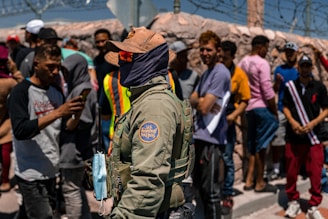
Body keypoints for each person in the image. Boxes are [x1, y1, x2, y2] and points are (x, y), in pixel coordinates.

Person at [103, 26, 193, 218]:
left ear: (149, 61)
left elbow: (149, 180)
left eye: (127, 56)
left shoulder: (155, 107)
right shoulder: (146, 100)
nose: (120, 61)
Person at [7, 44, 85, 219]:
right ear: (36, 64)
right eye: (50, 66)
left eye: (58, 67)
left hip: (51, 169)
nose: (55, 71)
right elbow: (21, 130)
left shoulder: (55, 92)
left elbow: (65, 128)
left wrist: (76, 115)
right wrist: (57, 112)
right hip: (30, 172)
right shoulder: (21, 92)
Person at [189, 30, 231, 218]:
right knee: (200, 189)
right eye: (202, 50)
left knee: (212, 192)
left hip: (212, 140)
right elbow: (192, 99)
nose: (204, 53)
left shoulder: (221, 73)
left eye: (208, 50)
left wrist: (203, 101)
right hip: (200, 136)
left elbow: (205, 107)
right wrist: (203, 101)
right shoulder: (207, 73)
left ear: (218, 51)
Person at [283, 55, 328, 219]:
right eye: (302, 66)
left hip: (313, 137)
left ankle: (314, 205)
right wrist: (293, 122)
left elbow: (326, 109)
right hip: (293, 136)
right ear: (298, 68)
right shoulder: (290, 87)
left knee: (316, 171)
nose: (305, 68)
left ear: (312, 68)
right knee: (291, 171)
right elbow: (285, 107)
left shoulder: (319, 87)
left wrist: (313, 123)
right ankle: (293, 201)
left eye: (308, 66)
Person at [238, 35, 278, 193]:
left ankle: (249, 180)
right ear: (261, 47)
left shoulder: (242, 63)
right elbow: (267, 90)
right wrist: (274, 111)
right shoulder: (262, 63)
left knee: (253, 145)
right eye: (266, 49)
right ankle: (260, 182)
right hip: (261, 107)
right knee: (262, 145)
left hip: (248, 109)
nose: (266, 52)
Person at [59, 53, 97, 219]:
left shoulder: (82, 90)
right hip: (78, 147)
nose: (64, 76)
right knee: (76, 188)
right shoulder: (80, 87)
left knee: (70, 190)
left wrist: (68, 122)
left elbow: (83, 120)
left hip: (74, 148)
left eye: (68, 71)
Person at [220, 40, 251, 215]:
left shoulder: (239, 75)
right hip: (212, 122)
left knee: (227, 158)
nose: (221, 60)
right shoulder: (215, 70)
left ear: (232, 56)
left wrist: (233, 116)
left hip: (228, 121)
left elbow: (245, 100)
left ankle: (227, 194)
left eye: (225, 57)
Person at [270, 41, 299, 181]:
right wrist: (277, 83)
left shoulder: (301, 70)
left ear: (296, 53)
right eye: (287, 52)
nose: (289, 54)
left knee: (296, 141)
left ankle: (295, 167)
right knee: (277, 140)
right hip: (282, 109)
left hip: (297, 112)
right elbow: (273, 91)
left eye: (292, 52)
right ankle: (276, 169)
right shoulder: (279, 70)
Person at [0, 45, 24, 193]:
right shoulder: (9, 83)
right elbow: (23, 87)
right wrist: (15, 70)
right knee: (5, 153)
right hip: (5, 122)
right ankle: (5, 181)